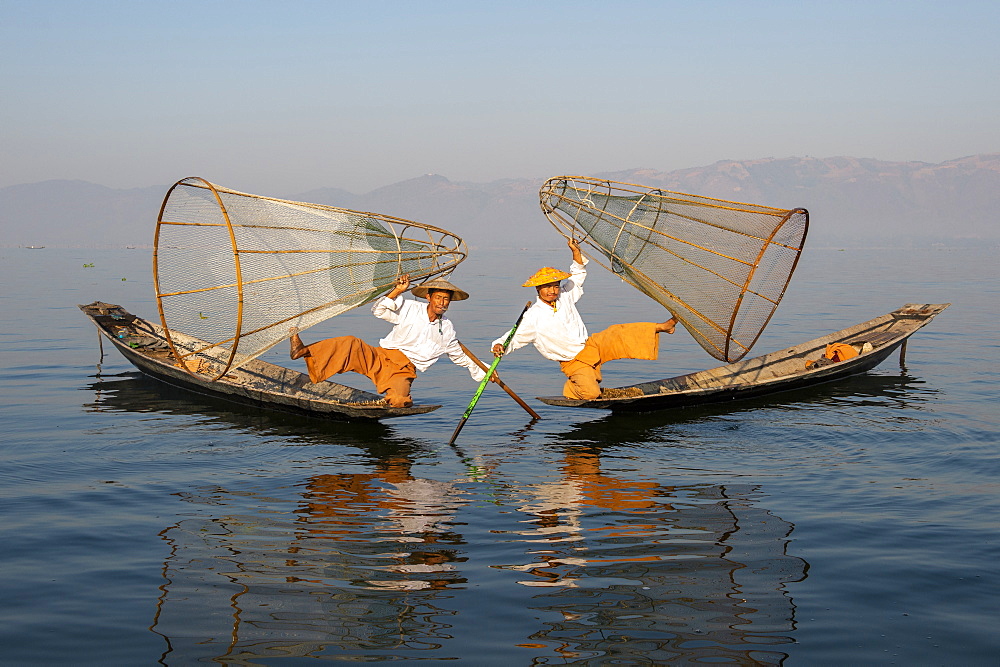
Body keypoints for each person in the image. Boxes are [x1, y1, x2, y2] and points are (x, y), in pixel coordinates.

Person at [491, 238, 677, 400]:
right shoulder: (533, 316)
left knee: (617, 332)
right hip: (574, 361)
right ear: (538, 289)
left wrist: (576, 251)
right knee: (591, 394)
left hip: (591, 345)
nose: (552, 291)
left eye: (555, 286)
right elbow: (514, 337)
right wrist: (499, 345)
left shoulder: (565, 295)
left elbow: (578, 275)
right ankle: (572, 388)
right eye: (547, 287)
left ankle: (662, 327)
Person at [290, 274, 488, 407]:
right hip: (380, 356)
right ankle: (303, 350)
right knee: (351, 343)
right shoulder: (410, 308)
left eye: (446, 299)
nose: (442, 303)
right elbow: (379, 310)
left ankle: (383, 402)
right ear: (429, 297)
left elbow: (459, 356)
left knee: (401, 400)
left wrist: (486, 372)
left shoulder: (447, 329)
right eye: (438, 298)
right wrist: (397, 291)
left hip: (403, 369)